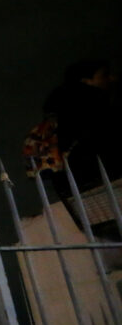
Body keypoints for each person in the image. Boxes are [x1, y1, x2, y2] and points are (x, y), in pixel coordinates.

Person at [42, 60, 120, 232]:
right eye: (104, 75)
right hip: (108, 182)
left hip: (83, 197)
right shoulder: (95, 107)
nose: (112, 79)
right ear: (86, 82)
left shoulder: (60, 116)